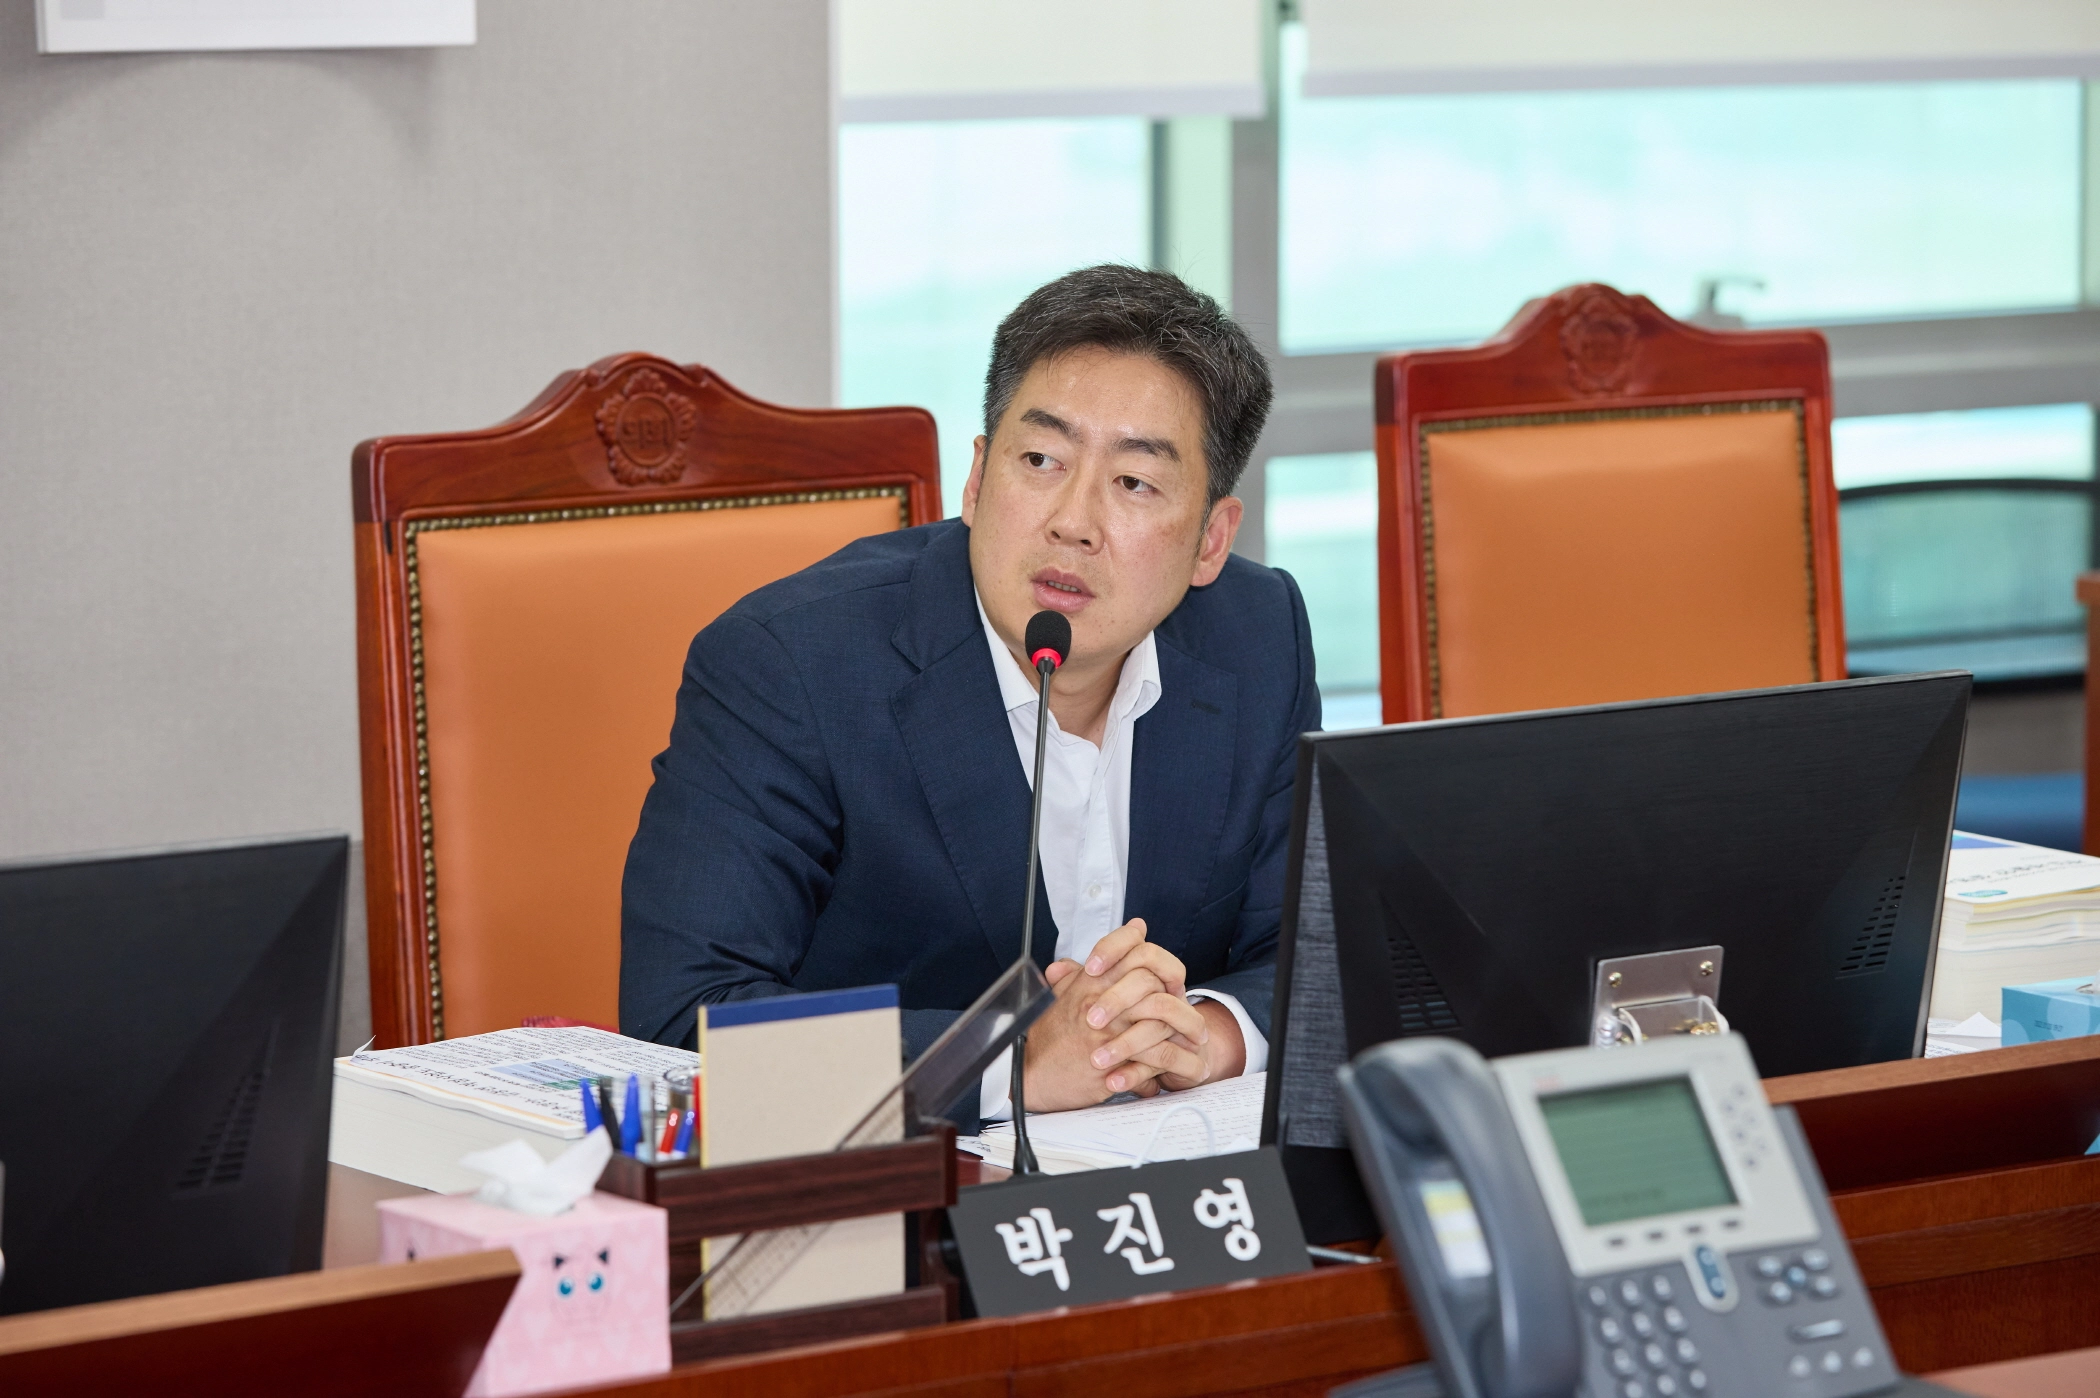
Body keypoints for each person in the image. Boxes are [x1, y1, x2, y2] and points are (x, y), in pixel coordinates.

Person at [619, 264, 1319, 1123]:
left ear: (1211, 539)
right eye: (1040, 460)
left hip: (1167, 1179)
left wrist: (1205, 1035)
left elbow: (1317, 952)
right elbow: (681, 1027)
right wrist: (1008, 1063)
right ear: (979, 477)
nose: (1073, 522)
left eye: (1134, 482)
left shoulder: (1259, 636)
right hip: (894, 1186)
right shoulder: (790, 665)